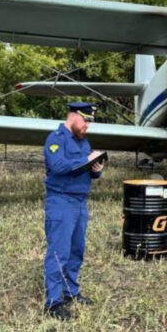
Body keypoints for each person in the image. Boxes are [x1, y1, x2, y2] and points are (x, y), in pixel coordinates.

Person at [42, 102, 105, 320]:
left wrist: (96, 169)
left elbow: (86, 170)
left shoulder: (83, 142)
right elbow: (58, 166)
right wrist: (85, 160)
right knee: (59, 252)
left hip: (80, 202)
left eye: (90, 121)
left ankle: (70, 292)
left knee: (76, 250)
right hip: (61, 201)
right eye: (86, 120)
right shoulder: (56, 139)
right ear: (73, 116)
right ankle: (53, 302)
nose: (88, 125)